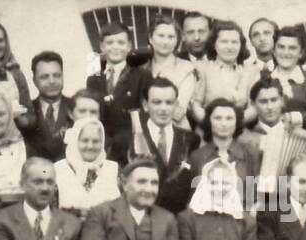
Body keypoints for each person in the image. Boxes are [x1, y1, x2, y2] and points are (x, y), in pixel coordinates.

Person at [113, 77, 201, 215]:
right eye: (157, 102)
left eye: (169, 102)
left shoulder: (190, 140)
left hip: (177, 223)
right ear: (145, 105)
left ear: (176, 105)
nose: (163, 108)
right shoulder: (126, 140)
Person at [86, 22, 153, 140]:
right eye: (109, 42)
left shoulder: (142, 76)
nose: (115, 47)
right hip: (102, 141)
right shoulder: (93, 79)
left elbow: (146, 113)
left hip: (131, 140)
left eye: (121, 43)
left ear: (129, 46)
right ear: (102, 46)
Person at [54, 117, 120, 216]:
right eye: (85, 141)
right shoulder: (58, 169)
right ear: (75, 141)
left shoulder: (114, 169)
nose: (90, 146)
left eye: (96, 141)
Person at [190, 20, 252, 125]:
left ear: (241, 45)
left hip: (240, 129)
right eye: (224, 41)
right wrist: (213, 125)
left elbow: (254, 108)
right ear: (214, 44)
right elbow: (194, 105)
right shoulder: (202, 68)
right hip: (207, 131)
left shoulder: (249, 71)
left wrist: (232, 126)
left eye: (234, 42)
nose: (229, 47)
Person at [188, 97, 256, 192]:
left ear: (237, 122)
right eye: (218, 118)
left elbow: (253, 197)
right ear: (209, 121)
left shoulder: (249, 155)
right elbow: (193, 197)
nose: (224, 124)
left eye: (229, 118)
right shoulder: (197, 156)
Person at [144, 15, 197, 128]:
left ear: (177, 40)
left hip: (176, 128)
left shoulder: (186, 68)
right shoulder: (143, 68)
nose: (165, 41)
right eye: (161, 36)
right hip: (144, 128)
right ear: (150, 38)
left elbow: (178, 111)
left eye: (171, 37)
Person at [26, 51, 74, 161]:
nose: (52, 81)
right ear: (34, 81)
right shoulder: (26, 112)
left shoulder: (77, 107)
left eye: (57, 75)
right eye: (44, 77)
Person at [266, 26, 306, 124]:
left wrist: (291, 117)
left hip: (303, 136)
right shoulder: (265, 79)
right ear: (274, 51)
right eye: (281, 47)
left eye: (292, 48)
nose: (286, 52)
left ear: (301, 53)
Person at [243, 16, 279, 88]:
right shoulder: (244, 70)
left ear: (276, 37)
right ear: (251, 41)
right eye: (256, 35)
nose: (262, 38)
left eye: (267, 33)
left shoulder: (288, 67)